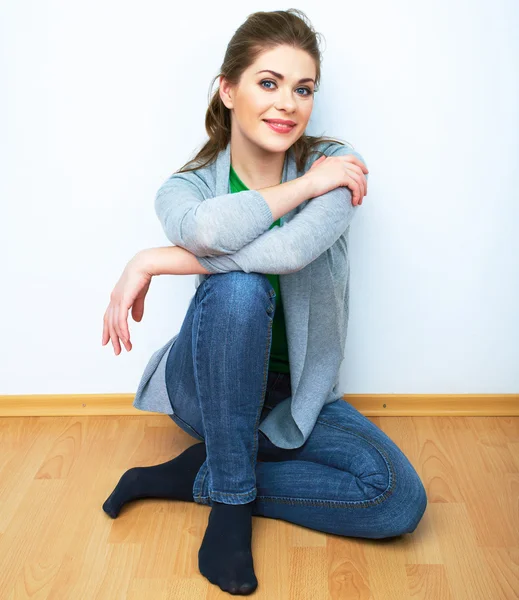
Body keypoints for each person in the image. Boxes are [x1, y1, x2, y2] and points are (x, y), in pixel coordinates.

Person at [101, 9, 427, 596]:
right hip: (207, 385)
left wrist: (151, 259)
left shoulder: (334, 163)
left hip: (296, 397)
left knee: (395, 501)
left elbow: (293, 250)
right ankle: (230, 506)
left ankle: (199, 475)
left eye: (303, 89)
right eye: (268, 83)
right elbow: (206, 232)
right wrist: (304, 187)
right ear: (228, 90)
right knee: (239, 290)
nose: (288, 104)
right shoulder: (188, 187)